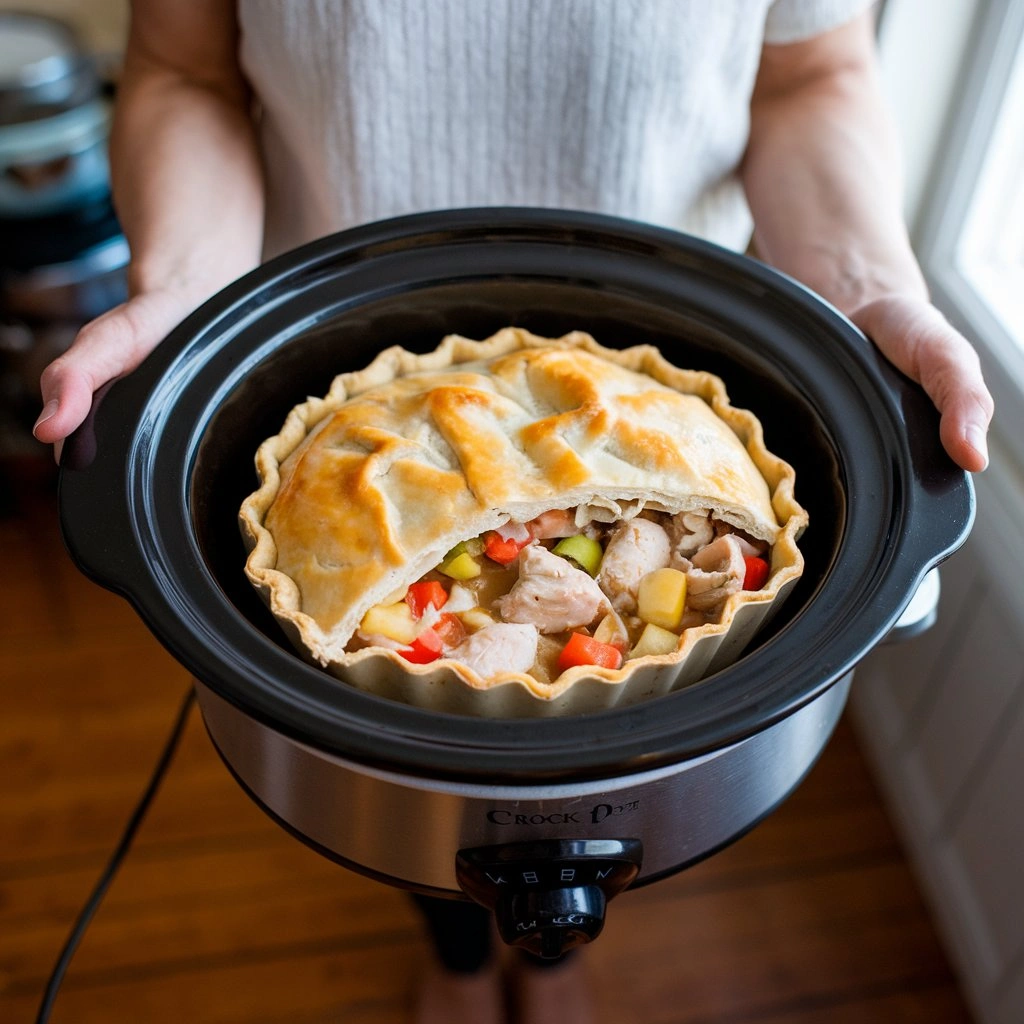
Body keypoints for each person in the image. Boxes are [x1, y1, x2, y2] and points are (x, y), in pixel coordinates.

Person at [31, 3, 994, 1022]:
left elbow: (811, 78)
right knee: (408, 814)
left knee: (590, 828)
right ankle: (454, 954)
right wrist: (182, 294)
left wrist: (867, 288)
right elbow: (186, 73)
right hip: (350, 394)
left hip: (651, 390)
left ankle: (545, 963)